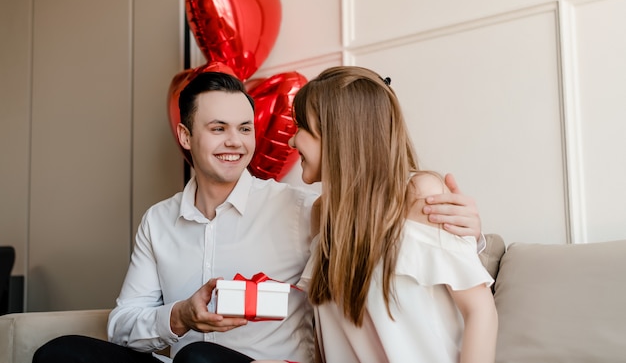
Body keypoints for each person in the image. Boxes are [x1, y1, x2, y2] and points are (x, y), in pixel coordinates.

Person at [32, 71, 485, 363]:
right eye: (218, 129)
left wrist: (468, 234)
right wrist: (182, 317)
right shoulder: (158, 221)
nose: (237, 142)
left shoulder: (302, 210)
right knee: (61, 354)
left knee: (200, 362)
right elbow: (123, 323)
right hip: (182, 361)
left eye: (245, 128)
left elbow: (389, 225)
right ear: (186, 137)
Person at [288, 66, 498, 363]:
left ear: (339, 135)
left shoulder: (418, 192)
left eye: (301, 128)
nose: (292, 142)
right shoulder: (321, 213)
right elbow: (329, 335)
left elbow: (480, 310)